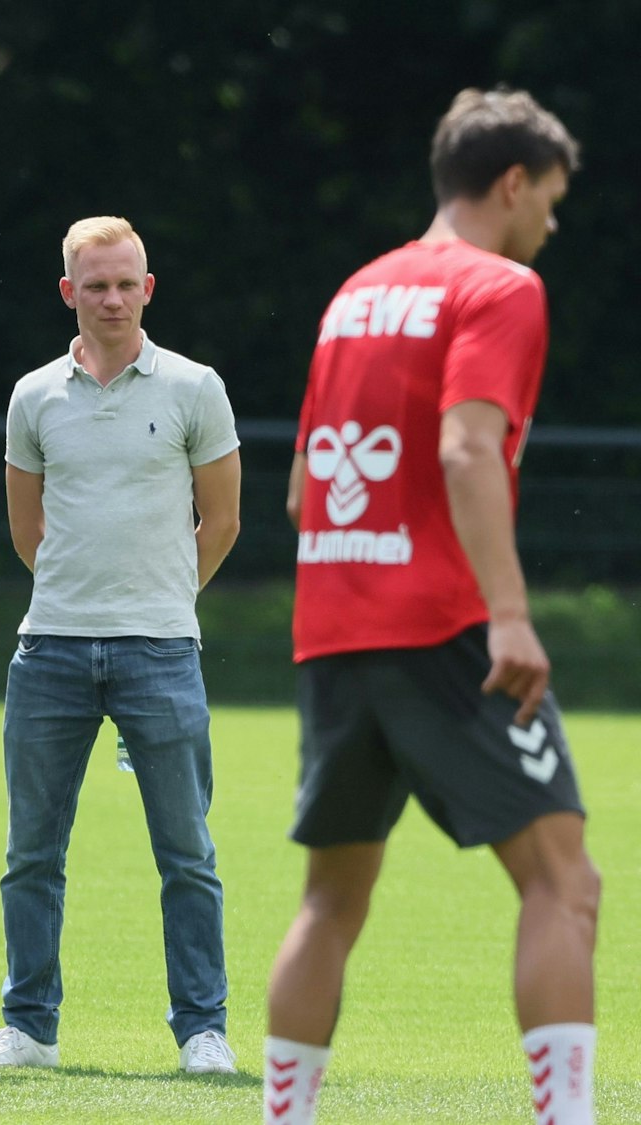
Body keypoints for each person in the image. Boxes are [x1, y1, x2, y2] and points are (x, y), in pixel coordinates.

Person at [264, 88, 595, 1125]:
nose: (550, 219)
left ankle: (285, 1117)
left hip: (331, 623)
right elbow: (462, 447)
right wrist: (507, 612)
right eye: (547, 196)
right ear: (509, 183)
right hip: (444, 628)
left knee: (330, 899)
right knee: (561, 880)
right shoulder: (499, 288)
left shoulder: (355, 292)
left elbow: (297, 488)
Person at [0, 216, 242, 1076]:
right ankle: (29, 1028)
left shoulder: (195, 388)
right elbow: (26, 529)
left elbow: (223, 519)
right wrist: (83, 597)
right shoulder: (33, 396)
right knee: (30, 855)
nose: (113, 298)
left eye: (127, 283)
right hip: (48, 650)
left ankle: (203, 1030)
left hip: (162, 652)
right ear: (68, 293)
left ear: (148, 288)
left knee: (186, 853)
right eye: (96, 285)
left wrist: (160, 598)